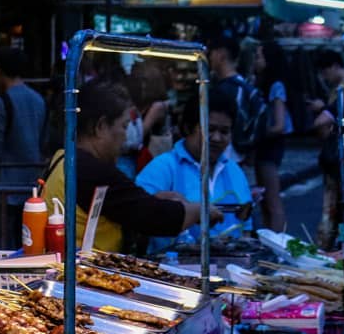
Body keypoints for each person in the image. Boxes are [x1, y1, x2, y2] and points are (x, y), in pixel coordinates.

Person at [42, 79, 218, 253]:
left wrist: (153, 200)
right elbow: (154, 217)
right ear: (101, 127)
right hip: (84, 273)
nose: (126, 137)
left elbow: (124, 207)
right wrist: (199, 211)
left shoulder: (64, 158)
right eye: (124, 126)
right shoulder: (91, 170)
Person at [136, 91, 251, 253]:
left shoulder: (234, 171)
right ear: (189, 128)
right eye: (209, 129)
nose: (217, 138)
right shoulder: (162, 167)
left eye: (224, 132)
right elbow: (136, 219)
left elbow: (245, 229)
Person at [0, 48, 47, 249]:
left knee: (0, 250)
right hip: (31, 190)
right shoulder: (39, 100)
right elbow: (42, 141)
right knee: (26, 247)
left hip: (2, 192)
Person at [308, 49, 344, 249]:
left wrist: (323, 111)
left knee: (335, 209)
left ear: (334, 66)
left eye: (324, 71)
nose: (323, 77)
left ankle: (329, 250)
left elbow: (322, 123)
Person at [252, 40, 293, 232]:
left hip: (270, 145)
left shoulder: (275, 85)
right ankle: (271, 240)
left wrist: (256, 133)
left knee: (272, 199)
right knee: (265, 199)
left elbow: (279, 124)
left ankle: (278, 242)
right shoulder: (261, 83)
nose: (255, 60)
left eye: (259, 56)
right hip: (266, 145)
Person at [208, 35, 267, 158]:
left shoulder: (228, 90)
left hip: (227, 155)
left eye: (211, 53)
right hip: (237, 154)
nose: (209, 58)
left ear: (221, 54)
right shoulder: (242, 85)